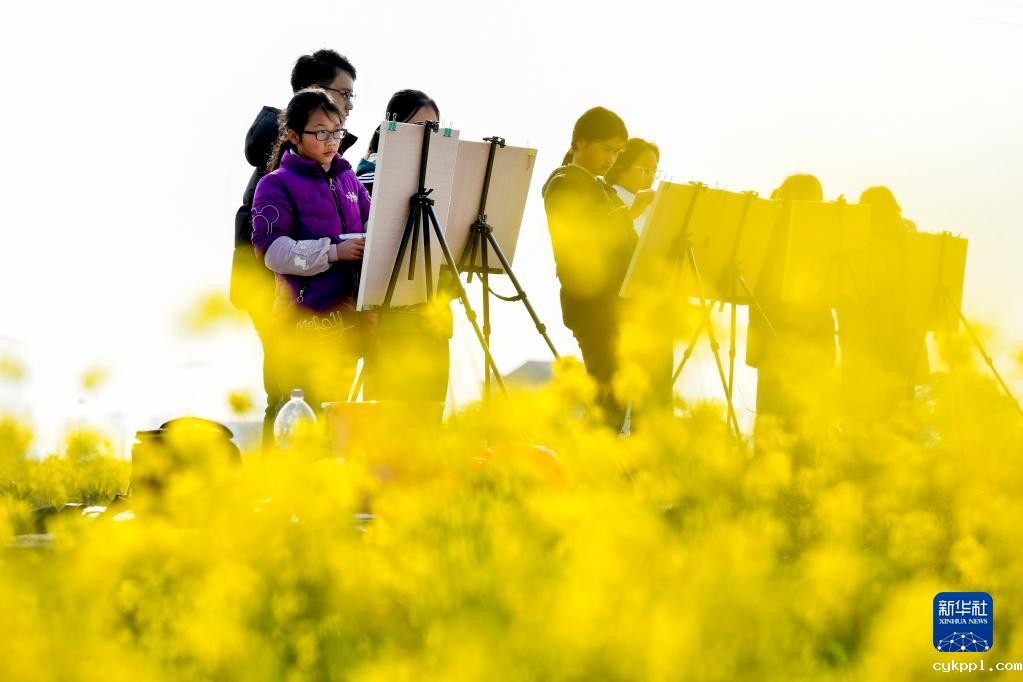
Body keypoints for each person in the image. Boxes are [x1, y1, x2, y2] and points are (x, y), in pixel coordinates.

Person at [232, 49, 360, 447]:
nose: (350, 105)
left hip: (332, 310)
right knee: (289, 403)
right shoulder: (278, 173)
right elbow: (270, 246)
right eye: (345, 93)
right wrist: (333, 251)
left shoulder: (340, 172)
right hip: (286, 304)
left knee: (324, 405)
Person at [250, 89, 371, 419]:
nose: (331, 140)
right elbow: (274, 252)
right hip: (301, 331)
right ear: (293, 136)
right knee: (304, 423)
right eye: (321, 132)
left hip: (346, 327)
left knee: (336, 423)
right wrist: (333, 252)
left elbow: (375, 226)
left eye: (336, 131)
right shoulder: (275, 184)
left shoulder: (349, 179)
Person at [355, 90, 452, 405]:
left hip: (430, 314)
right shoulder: (365, 178)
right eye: (420, 126)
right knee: (387, 421)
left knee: (430, 419)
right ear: (393, 125)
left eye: (434, 129)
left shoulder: (441, 180)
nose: (428, 136)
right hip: (389, 316)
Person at [542, 107, 637, 430]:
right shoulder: (564, 183)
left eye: (618, 152)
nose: (612, 159)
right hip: (593, 303)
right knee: (607, 394)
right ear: (580, 143)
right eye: (607, 149)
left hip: (617, 302)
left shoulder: (602, 188)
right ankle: (591, 468)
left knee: (617, 395)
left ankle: (602, 465)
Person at [747, 174, 836, 442]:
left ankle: (802, 470)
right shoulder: (769, 229)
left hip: (814, 331)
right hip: (775, 329)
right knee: (775, 413)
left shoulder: (825, 234)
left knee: (807, 416)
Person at [838, 186, 929, 418]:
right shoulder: (902, 238)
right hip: (873, 336)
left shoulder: (903, 240)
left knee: (896, 411)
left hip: (895, 336)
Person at [605, 138, 660, 235]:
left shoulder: (652, 206)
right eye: (645, 170)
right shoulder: (608, 201)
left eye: (654, 171)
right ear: (622, 169)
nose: (651, 178)